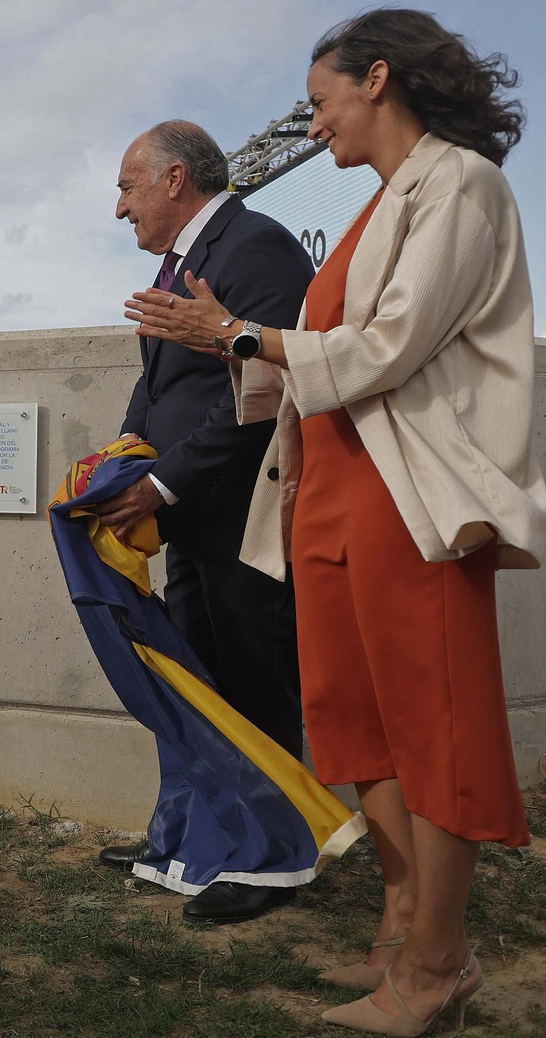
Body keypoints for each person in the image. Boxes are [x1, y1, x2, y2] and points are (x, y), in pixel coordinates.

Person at [127, 10, 544, 1033]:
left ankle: (438, 964)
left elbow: (390, 344)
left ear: (378, 80)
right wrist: (241, 359)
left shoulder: (461, 184)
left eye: (320, 102)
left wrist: (235, 334)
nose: (312, 126)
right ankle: (402, 926)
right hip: (324, 490)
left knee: (431, 724)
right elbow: (315, 359)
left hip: (406, 496)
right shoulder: (375, 207)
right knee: (353, 723)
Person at [92, 120, 314, 924]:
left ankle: (277, 862)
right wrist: (123, 460)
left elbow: (262, 396)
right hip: (188, 520)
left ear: (174, 179)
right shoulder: (178, 265)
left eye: (127, 187)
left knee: (254, 684)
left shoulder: (259, 248)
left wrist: (163, 484)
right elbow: (159, 389)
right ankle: (200, 841)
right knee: (198, 688)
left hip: (242, 520)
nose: (121, 207)